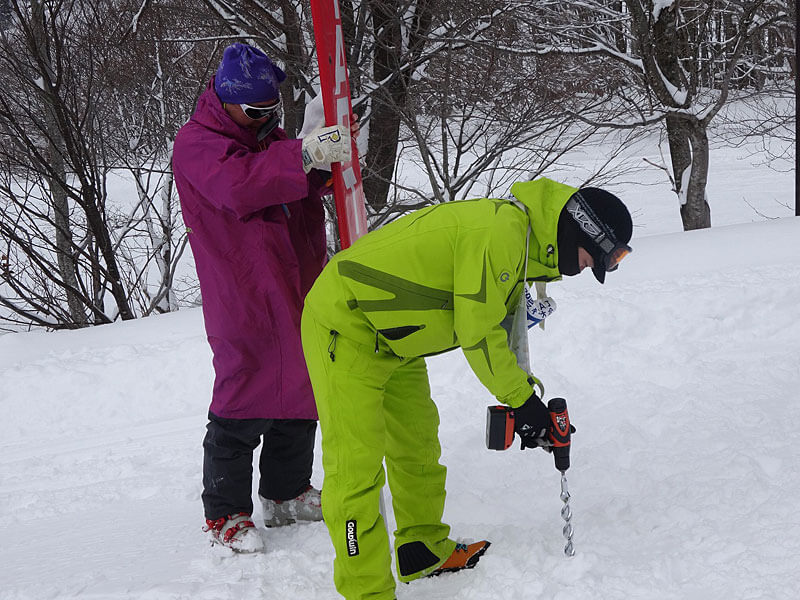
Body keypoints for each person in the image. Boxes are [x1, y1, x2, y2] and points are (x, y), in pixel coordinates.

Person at [300, 177, 633, 599]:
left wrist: (527, 397)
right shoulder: (501, 234)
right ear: (578, 230)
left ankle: (421, 548)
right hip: (345, 325)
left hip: (397, 339)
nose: (587, 268)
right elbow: (477, 333)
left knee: (417, 445)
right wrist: (521, 400)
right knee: (356, 467)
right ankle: (365, 591)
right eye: (593, 259)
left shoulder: (522, 243)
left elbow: (504, 331)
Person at [172, 42, 356, 553]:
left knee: (303, 384)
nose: (263, 121)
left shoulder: (267, 138)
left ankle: (286, 492)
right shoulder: (196, 143)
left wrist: (322, 153)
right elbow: (241, 184)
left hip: (295, 279)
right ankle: (226, 514)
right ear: (225, 101)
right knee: (243, 391)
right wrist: (302, 153)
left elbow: (295, 182)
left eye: (271, 111)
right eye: (254, 112)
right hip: (242, 288)